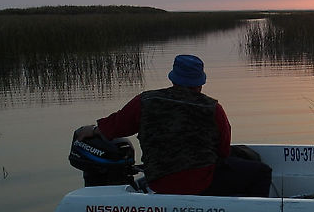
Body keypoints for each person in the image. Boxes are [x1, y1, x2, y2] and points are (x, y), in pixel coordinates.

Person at [75, 54, 271, 196]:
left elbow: (114, 127)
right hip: (201, 182)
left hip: (159, 182)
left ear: (173, 78)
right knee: (261, 171)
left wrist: (92, 130)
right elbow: (223, 152)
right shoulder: (213, 108)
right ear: (200, 82)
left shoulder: (145, 101)